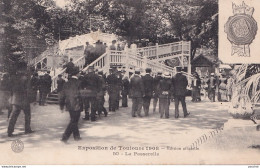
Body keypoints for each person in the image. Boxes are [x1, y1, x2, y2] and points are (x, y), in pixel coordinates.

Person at [7, 63, 34, 137]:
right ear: (23, 68)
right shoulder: (25, 78)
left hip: (15, 99)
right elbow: (28, 88)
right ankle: (27, 129)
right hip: (24, 99)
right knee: (27, 115)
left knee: (14, 116)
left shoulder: (13, 77)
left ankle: (10, 131)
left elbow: (10, 88)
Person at [60, 69, 82, 143]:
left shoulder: (66, 83)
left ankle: (77, 136)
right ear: (77, 74)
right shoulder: (79, 83)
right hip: (76, 103)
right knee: (74, 120)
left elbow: (62, 95)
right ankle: (65, 138)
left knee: (73, 119)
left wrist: (61, 105)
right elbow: (80, 95)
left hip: (68, 103)